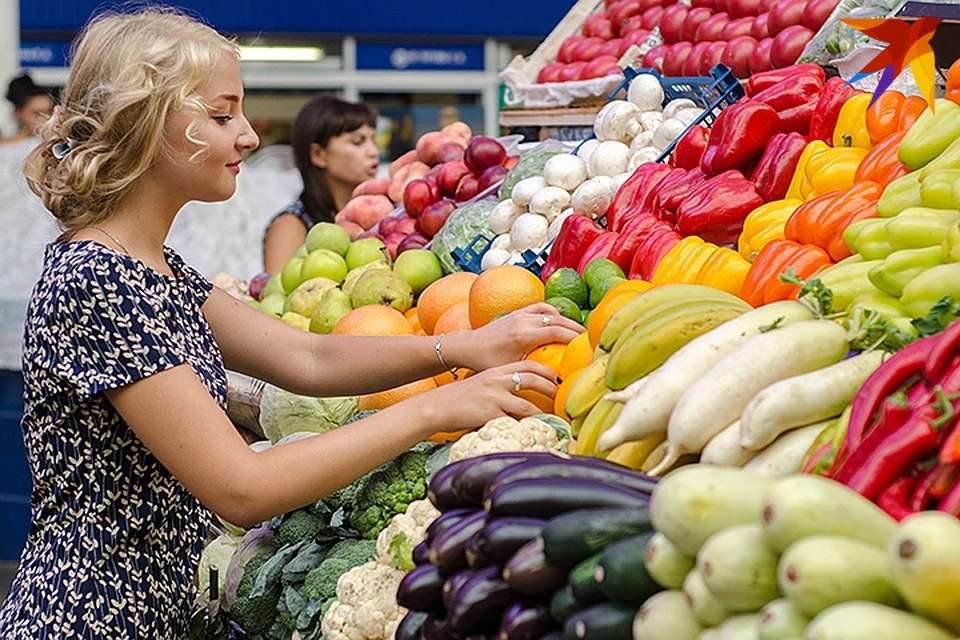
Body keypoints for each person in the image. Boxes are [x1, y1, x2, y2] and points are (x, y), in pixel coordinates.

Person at [0, 9, 581, 639]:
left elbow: (309, 360)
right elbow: (241, 488)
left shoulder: (154, 267)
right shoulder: (99, 280)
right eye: (222, 115)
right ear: (146, 126)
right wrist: (432, 411)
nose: (248, 136)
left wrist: (464, 344)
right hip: (95, 619)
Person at [263, 94, 381, 273]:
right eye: (358, 142)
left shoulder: (380, 215)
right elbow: (275, 294)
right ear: (318, 154)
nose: (373, 151)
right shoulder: (291, 225)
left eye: (373, 140)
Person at [1, 73, 53, 145]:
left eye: (49, 112)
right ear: (18, 112)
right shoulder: (6, 146)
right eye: (37, 113)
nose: (45, 118)